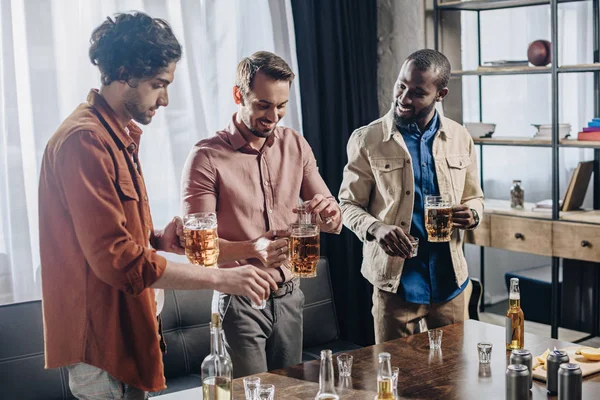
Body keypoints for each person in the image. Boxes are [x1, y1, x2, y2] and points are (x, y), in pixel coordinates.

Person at [39, 12, 276, 399]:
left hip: (129, 329)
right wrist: (223, 277)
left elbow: (113, 238)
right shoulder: (84, 142)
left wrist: (159, 237)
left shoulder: (116, 136)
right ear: (122, 72)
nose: (165, 99)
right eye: (158, 85)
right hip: (103, 344)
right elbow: (118, 261)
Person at [181, 51, 342, 377]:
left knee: (290, 395)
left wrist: (329, 211)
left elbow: (330, 218)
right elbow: (198, 252)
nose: (274, 116)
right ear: (239, 95)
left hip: (290, 298)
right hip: (238, 302)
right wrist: (254, 247)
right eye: (263, 105)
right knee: (250, 396)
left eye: (281, 106)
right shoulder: (206, 157)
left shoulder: (295, 145)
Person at [338, 49, 484, 343]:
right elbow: (347, 205)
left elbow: (475, 197)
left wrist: (473, 214)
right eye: (401, 85)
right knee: (394, 382)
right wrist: (376, 228)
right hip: (395, 288)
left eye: (417, 93)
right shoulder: (367, 139)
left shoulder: (460, 137)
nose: (403, 98)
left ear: (440, 94)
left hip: (451, 284)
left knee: (453, 383)